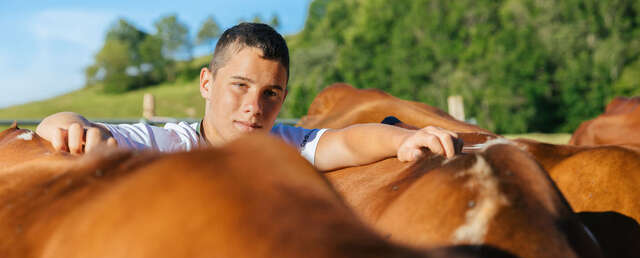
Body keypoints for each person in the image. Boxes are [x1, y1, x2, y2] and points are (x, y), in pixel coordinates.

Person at [36, 23, 459, 171]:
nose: (255, 108)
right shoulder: (169, 144)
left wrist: (402, 139)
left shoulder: (284, 145)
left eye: (271, 93)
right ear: (206, 83)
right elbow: (58, 123)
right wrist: (71, 124)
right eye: (239, 85)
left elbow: (345, 140)